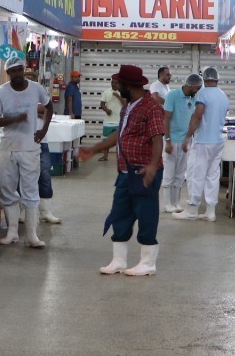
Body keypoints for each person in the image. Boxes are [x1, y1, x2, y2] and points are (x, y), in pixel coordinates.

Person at [77, 64, 166, 277]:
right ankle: (118, 260)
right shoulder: (128, 107)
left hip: (144, 172)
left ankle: (148, 263)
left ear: (129, 85)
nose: (116, 87)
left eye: (119, 83)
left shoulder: (151, 108)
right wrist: (93, 149)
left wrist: (152, 166)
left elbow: (157, 138)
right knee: (120, 214)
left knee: (146, 215)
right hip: (125, 171)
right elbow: (119, 134)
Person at [0, 59, 52, 249]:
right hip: (8, 147)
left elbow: (49, 106)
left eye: (19, 70)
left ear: (23, 70)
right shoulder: (1, 92)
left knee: (30, 190)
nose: (17, 74)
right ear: (8, 73)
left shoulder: (36, 88)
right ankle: (12, 232)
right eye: (13, 71)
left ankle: (32, 235)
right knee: (7, 189)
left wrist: (43, 130)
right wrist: (14, 119)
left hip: (29, 148)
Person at [174, 67, 230, 222]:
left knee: (195, 175)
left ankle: (192, 210)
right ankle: (210, 211)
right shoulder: (223, 96)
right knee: (212, 176)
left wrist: (187, 137)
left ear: (204, 79)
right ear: (217, 78)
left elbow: (197, 116)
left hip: (203, 141)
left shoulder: (203, 94)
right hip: (218, 141)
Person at [162, 74, 201, 213]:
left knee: (180, 174)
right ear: (190, 85)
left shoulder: (193, 99)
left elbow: (192, 120)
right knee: (169, 173)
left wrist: (188, 139)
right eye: (197, 88)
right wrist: (167, 141)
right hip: (172, 140)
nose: (198, 91)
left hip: (184, 142)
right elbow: (166, 119)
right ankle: (168, 204)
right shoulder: (173, 95)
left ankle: (176, 203)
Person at [31, 69, 63, 224]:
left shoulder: (40, 93)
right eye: (27, 77)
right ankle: (23, 211)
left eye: (32, 77)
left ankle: (45, 211)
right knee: (22, 177)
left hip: (41, 141)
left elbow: (47, 109)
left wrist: (34, 111)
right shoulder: (16, 94)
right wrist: (38, 111)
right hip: (22, 142)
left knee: (44, 174)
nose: (30, 80)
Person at [97, 76, 122, 162]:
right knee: (106, 140)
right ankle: (105, 156)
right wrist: (106, 110)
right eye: (112, 82)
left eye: (116, 83)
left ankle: (120, 157)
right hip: (108, 121)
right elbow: (102, 104)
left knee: (119, 141)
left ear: (119, 84)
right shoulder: (106, 92)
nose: (114, 84)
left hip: (119, 121)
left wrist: (118, 96)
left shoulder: (122, 92)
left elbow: (125, 103)